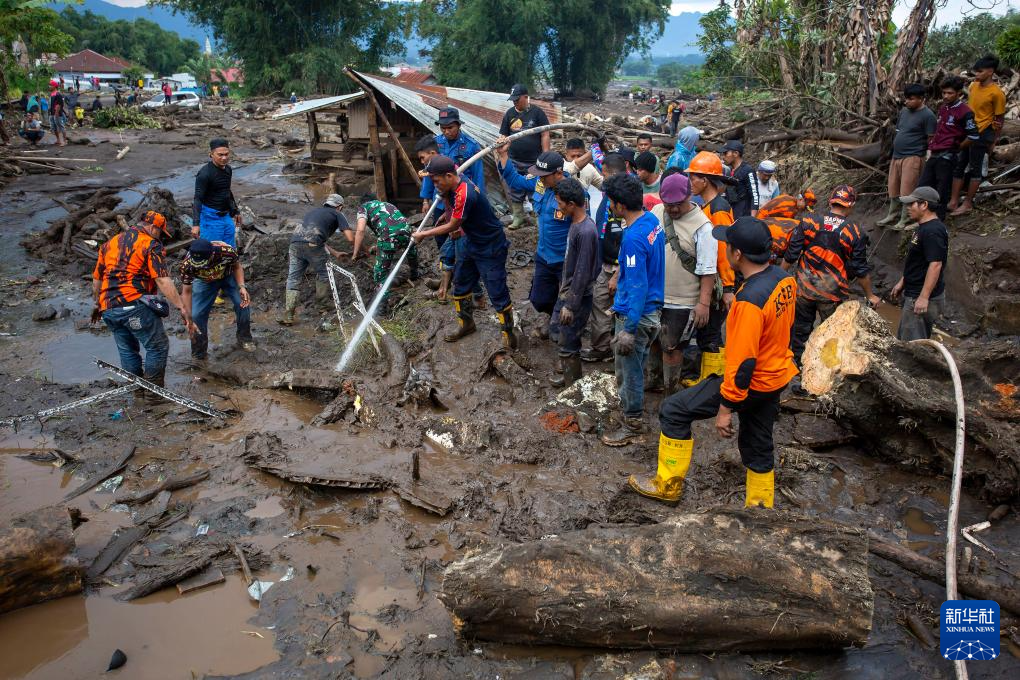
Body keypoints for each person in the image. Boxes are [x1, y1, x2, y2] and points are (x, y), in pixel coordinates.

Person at [628, 216, 797, 506]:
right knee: (758, 440)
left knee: (674, 410)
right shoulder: (784, 280)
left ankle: (667, 485)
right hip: (776, 376)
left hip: (751, 380)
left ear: (738, 254)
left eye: (727, 246)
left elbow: (743, 363)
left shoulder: (749, 302)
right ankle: (760, 504)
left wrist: (726, 407)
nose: (725, 251)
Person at [413, 155, 518, 348]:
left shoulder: (465, 193)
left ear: (448, 175)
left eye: (436, 181)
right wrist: (446, 211)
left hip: (490, 245)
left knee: (496, 290)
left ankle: (509, 334)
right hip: (471, 240)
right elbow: (452, 212)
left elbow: (454, 225)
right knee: (461, 284)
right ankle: (466, 324)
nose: (434, 185)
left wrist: (424, 234)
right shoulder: (452, 185)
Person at [92, 211, 196, 393]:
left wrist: (97, 304)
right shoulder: (150, 244)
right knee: (157, 347)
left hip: (108, 307)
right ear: (153, 227)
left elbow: (97, 279)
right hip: (133, 304)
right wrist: (181, 307)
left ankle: (137, 391)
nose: (161, 237)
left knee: (127, 350)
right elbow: (162, 279)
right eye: (160, 232)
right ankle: (153, 394)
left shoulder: (110, 243)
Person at [784, 185, 881, 370]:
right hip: (832, 294)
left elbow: (791, 255)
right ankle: (823, 374)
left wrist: (781, 276)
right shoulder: (855, 232)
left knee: (800, 332)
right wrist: (870, 295)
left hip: (804, 290)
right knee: (831, 336)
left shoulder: (809, 222)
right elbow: (861, 269)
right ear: (850, 205)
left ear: (830, 201)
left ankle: (799, 370)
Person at [600, 173, 665, 447]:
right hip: (651, 309)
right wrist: (619, 275)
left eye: (611, 203)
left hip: (636, 314)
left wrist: (628, 328)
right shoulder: (651, 221)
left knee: (630, 370)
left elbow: (638, 286)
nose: (609, 207)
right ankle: (631, 411)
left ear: (620, 206)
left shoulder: (633, 239)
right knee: (636, 364)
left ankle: (633, 422)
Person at [649, 173, 720, 396]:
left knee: (672, 347)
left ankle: (671, 392)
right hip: (655, 294)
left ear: (689, 196)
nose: (673, 210)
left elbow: (708, 268)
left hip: (682, 300)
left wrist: (703, 303)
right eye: (669, 205)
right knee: (653, 340)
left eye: (678, 205)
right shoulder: (657, 212)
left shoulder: (703, 227)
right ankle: (654, 379)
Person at [497, 144, 573, 340]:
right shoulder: (540, 184)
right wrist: (503, 154)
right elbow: (515, 180)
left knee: (566, 305)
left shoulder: (574, 194)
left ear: (558, 173)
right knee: (538, 300)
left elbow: (584, 228)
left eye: (544, 175)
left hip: (565, 259)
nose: (540, 178)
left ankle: (563, 345)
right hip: (544, 255)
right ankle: (552, 316)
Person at [686, 151, 737, 386]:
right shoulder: (707, 205)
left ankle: (714, 381)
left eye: (692, 178)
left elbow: (724, 250)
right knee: (707, 331)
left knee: (712, 332)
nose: (690, 182)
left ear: (704, 180)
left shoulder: (718, 208)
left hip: (718, 281)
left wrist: (728, 286)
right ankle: (708, 378)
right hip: (712, 278)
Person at [549, 178, 599, 388]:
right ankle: (570, 377)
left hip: (577, 295)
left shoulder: (586, 231)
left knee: (569, 339)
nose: (558, 207)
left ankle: (573, 386)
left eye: (560, 203)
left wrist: (570, 305)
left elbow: (582, 272)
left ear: (571, 204)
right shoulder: (577, 225)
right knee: (562, 335)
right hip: (569, 291)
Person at [279, 195, 353, 325]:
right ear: (339, 206)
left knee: (293, 278)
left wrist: (335, 253)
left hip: (295, 243)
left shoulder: (313, 212)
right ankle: (322, 306)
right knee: (325, 273)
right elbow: (350, 238)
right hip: (313, 244)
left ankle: (288, 315)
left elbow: (312, 236)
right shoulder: (337, 213)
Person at [582, 152, 627, 363]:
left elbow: (629, 241)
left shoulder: (626, 200)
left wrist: (618, 272)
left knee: (620, 310)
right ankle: (601, 348)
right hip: (604, 262)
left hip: (620, 266)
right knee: (599, 303)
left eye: (604, 174)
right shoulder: (608, 195)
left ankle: (620, 354)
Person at [180, 238, 254, 361]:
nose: (201, 266)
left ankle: (245, 338)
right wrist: (188, 315)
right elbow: (186, 292)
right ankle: (199, 353)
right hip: (204, 282)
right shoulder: (187, 265)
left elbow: (237, 267)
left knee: (243, 303)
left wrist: (242, 287)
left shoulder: (226, 251)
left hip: (227, 277)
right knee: (196, 315)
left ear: (212, 254)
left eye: (203, 263)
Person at [949, 55, 1006, 217]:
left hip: (983, 134)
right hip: (969, 131)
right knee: (960, 165)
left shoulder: (997, 94)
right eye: (975, 72)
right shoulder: (973, 86)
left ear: (990, 72)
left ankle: (967, 203)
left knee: (975, 168)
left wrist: (994, 140)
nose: (976, 75)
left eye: (980, 71)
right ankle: (953, 201)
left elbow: (999, 119)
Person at [891, 187, 948, 341]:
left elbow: (935, 264)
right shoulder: (923, 228)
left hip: (920, 297)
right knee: (908, 338)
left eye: (912, 204)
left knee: (912, 345)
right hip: (914, 291)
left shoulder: (933, 231)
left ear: (924, 205)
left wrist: (923, 297)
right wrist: (902, 281)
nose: (908, 208)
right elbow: (918, 261)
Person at [877, 83, 936, 230]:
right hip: (897, 156)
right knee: (894, 186)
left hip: (913, 156)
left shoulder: (928, 116)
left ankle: (905, 218)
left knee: (907, 189)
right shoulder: (904, 111)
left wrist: (925, 154)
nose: (907, 101)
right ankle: (892, 214)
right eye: (906, 98)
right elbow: (899, 130)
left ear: (921, 99)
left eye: (911, 99)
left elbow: (930, 139)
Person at [919, 76, 977, 221]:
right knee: (924, 185)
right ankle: (924, 216)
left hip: (948, 155)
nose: (945, 96)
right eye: (944, 92)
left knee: (942, 189)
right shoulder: (943, 108)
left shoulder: (965, 112)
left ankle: (938, 219)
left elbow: (973, 136)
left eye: (949, 93)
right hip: (935, 152)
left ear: (959, 93)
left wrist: (957, 147)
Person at [352, 194, 418, 314]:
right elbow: (390, 224)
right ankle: (415, 273)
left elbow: (360, 230)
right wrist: (378, 246)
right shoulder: (387, 204)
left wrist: (355, 253)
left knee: (380, 273)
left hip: (388, 238)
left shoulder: (363, 207)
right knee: (411, 250)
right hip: (407, 232)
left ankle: (382, 307)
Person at [499, 84, 550, 229]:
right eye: (513, 99)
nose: (515, 102)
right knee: (514, 188)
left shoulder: (537, 112)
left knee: (536, 189)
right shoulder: (509, 114)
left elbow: (545, 133)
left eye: (517, 99)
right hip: (514, 159)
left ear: (526, 97)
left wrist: (545, 155)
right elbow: (504, 134)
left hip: (534, 161)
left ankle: (538, 218)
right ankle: (518, 217)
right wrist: (501, 144)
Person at [193, 138, 241, 247]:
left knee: (230, 252)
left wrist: (236, 211)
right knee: (212, 252)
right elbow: (198, 199)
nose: (224, 158)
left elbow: (226, 190)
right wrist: (196, 224)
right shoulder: (205, 174)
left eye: (226, 154)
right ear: (211, 154)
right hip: (210, 218)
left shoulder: (228, 169)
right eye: (220, 155)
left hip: (226, 216)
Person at [434, 107, 484, 193]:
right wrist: (426, 200)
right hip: (439, 197)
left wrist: (480, 198)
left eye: (450, 128)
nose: (446, 132)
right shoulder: (435, 143)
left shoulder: (472, 146)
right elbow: (429, 172)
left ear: (459, 125)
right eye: (443, 128)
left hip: (462, 194)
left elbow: (478, 176)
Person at [721, 140, 757, 218]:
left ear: (736, 153)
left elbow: (754, 195)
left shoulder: (748, 170)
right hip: (730, 211)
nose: (723, 157)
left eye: (725, 153)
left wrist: (752, 218)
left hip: (743, 214)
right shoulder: (728, 169)